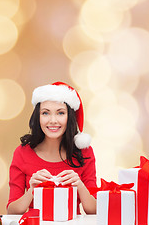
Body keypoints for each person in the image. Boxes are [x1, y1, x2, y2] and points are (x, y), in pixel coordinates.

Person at [7, 81, 97, 215]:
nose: (53, 120)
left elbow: (94, 210)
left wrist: (79, 185)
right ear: (38, 117)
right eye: (45, 113)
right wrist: (32, 190)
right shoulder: (22, 152)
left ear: (70, 117)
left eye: (60, 113)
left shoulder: (84, 151)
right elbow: (12, 211)